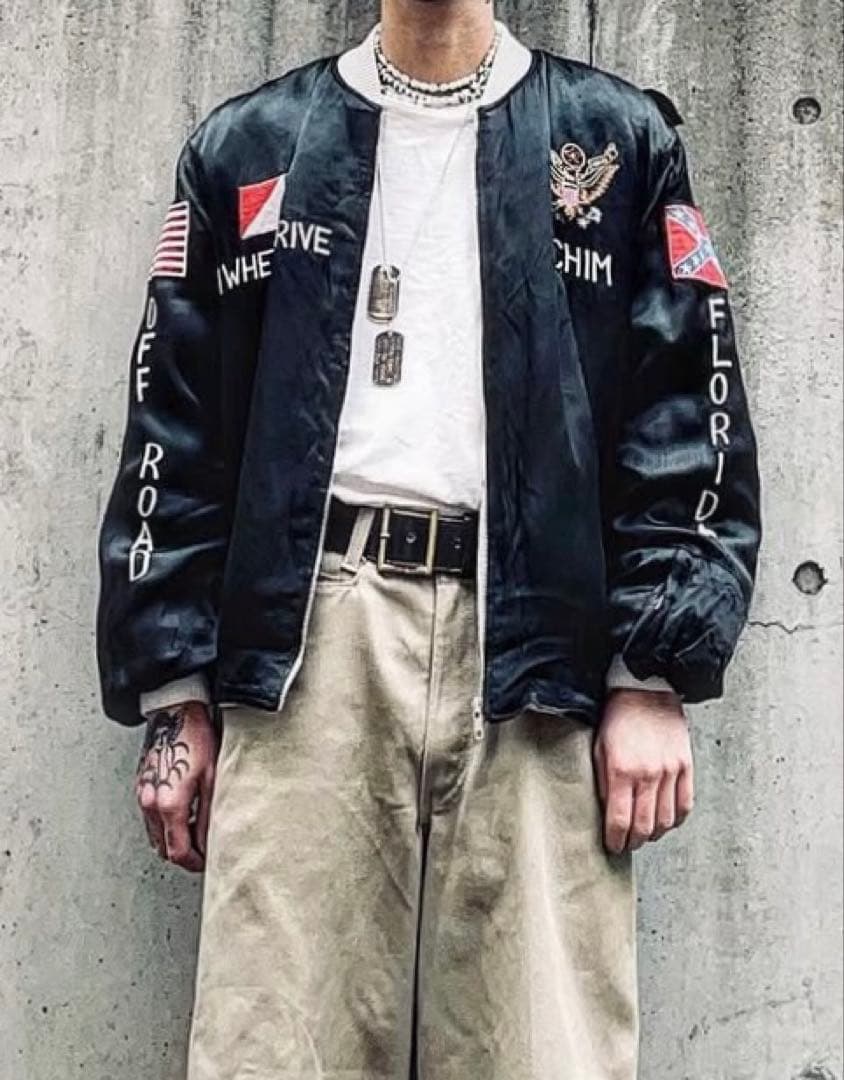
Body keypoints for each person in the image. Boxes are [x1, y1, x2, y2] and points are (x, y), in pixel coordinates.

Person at [96, 0, 762, 1076]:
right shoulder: (249, 146)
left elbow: (686, 412)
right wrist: (175, 697)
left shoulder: (613, 141)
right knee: (273, 1049)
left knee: (543, 1052)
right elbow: (176, 432)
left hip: (538, 644)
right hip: (308, 646)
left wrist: (652, 673)